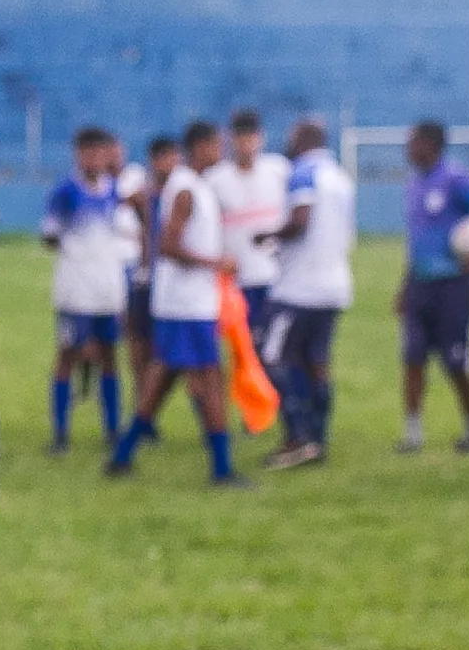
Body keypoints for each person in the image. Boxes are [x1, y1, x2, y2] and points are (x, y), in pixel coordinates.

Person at [107, 119, 247, 488]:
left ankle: (122, 454)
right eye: (216, 144)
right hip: (186, 304)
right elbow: (168, 245)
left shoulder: (193, 185)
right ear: (200, 147)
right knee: (210, 378)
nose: (221, 151)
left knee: (162, 378)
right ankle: (222, 468)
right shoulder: (185, 189)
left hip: (185, 302)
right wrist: (216, 263)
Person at [396, 120, 469, 455]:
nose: (408, 148)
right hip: (420, 285)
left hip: (452, 286)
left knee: (456, 361)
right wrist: (405, 286)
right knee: (412, 357)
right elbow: (417, 241)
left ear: (430, 144)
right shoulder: (414, 183)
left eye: (413, 142)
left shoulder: (455, 178)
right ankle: (413, 434)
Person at [259, 118, 355, 471]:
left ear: (301, 140)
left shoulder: (303, 172)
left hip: (299, 287)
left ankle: (299, 437)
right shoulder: (339, 176)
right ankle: (318, 438)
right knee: (316, 360)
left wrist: (269, 236)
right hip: (334, 284)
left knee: (271, 356)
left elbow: (300, 220)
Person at [40, 127, 131, 454]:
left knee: (109, 354)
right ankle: (60, 434)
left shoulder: (114, 189)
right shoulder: (66, 191)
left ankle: (112, 428)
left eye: (99, 153)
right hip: (75, 288)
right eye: (88, 153)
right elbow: (48, 235)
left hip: (107, 287)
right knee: (68, 355)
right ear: (78, 155)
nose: (94, 159)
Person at [207, 109, 291, 335]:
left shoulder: (279, 171)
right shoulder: (216, 179)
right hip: (237, 278)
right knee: (242, 342)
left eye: (251, 136)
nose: (246, 143)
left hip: (275, 276)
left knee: (272, 343)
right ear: (231, 138)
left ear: (260, 137)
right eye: (240, 137)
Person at [121, 134, 180, 438]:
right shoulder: (146, 195)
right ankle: (144, 419)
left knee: (173, 357)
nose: (168, 164)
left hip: (173, 286)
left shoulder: (183, 193)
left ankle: (146, 417)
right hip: (146, 281)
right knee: (140, 353)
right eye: (163, 158)